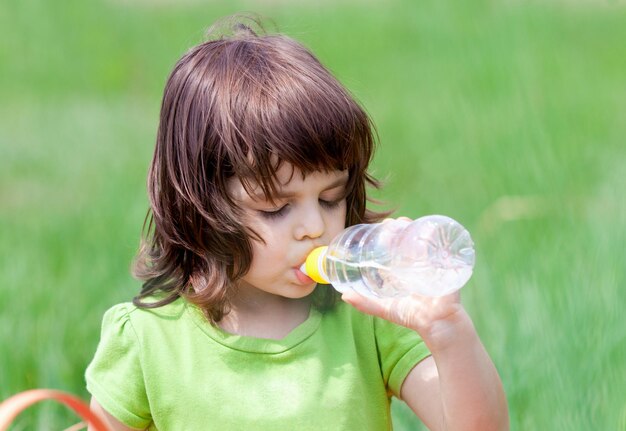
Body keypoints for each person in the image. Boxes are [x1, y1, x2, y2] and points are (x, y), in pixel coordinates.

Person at [85, 14, 509, 431]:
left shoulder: (368, 319)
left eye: (331, 198)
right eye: (275, 208)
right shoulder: (150, 342)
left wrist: (447, 330)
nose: (313, 227)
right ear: (200, 208)